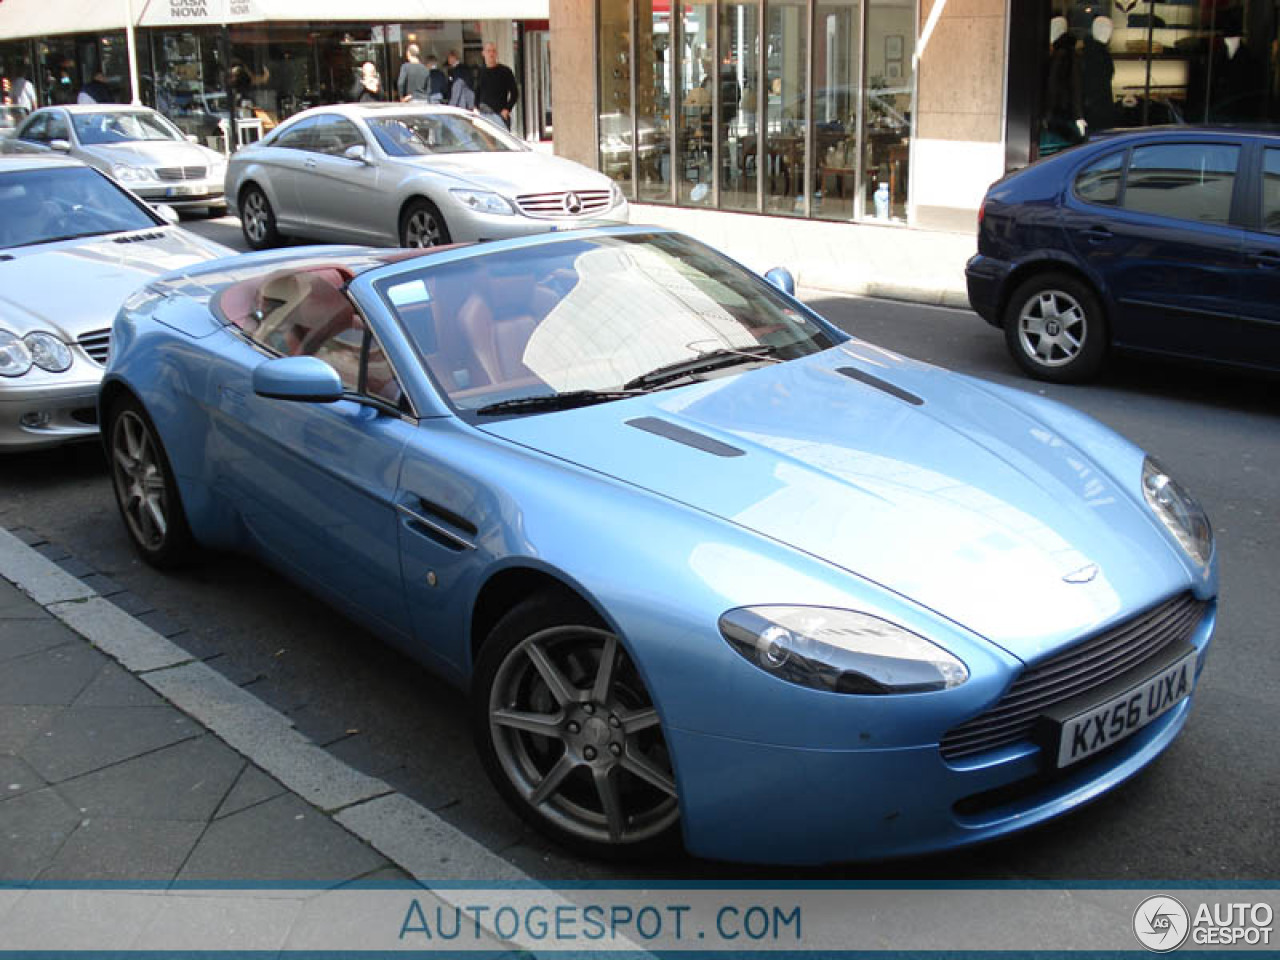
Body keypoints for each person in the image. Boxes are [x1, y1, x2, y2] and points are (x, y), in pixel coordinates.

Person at [474, 41, 518, 128]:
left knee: (501, 141)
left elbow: (515, 93)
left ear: (497, 53)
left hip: (500, 115)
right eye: (488, 51)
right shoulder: (480, 71)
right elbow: (477, 91)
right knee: (486, 141)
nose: (491, 54)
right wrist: (475, 108)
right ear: (483, 53)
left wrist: (507, 109)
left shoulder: (505, 71)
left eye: (493, 51)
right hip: (483, 114)